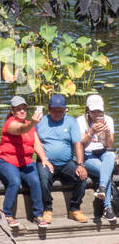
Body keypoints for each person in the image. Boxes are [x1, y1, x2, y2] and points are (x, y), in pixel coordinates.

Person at [0, 95, 48, 230]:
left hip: (25, 162)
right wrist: (32, 123)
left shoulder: (29, 125)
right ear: (12, 111)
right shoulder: (10, 123)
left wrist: (44, 158)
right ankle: (7, 214)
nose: (22, 111)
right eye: (18, 109)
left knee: (35, 181)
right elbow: (19, 130)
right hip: (7, 161)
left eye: (24, 108)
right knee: (15, 181)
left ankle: (38, 215)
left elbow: (36, 143)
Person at [36, 93, 89, 224]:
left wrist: (80, 164)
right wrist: (43, 158)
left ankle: (75, 208)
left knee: (81, 177)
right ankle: (47, 209)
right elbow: (33, 142)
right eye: (55, 111)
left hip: (66, 163)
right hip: (46, 162)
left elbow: (78, 143)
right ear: (49, 109)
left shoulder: (71, 122)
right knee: (43, 178)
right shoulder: (40, 122)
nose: (58, 114)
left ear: (65, 109)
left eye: (61, 111)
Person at [77, 93, 116, 219]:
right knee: (105, 171)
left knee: (110, 155)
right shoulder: (80, 121)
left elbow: (110, 144)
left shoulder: (108, 120)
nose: (97, 115)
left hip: (104, 153)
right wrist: (91, 132)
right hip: (88, 155)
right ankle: (108, 207)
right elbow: (80, 144)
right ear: (88, 110)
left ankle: (102, 188)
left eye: (100, 112)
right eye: (94, 112)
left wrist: (108, 132)